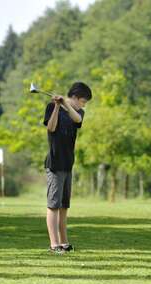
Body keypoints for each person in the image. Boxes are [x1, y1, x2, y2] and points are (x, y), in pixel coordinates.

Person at [43, 82, 92, 253]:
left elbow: (77, 120)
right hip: (55, 164)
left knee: (64, 206)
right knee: (53, 205)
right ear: (77, 98)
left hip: (68, 163)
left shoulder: (78, 112)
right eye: (83, 101)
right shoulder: (51, 107)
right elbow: (51, 127)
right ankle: (54, 244)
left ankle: (64, 242)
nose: (83, 105)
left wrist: (65, 104)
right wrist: (57, 106)